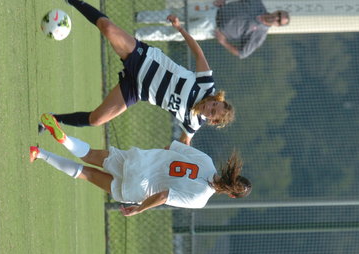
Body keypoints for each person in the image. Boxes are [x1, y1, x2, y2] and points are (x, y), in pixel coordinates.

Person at [44, 0, 234, 145]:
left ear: (212, 121)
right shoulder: (206, 85)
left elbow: (184, 144)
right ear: (216, 99)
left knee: (96, 119)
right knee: (108, 28)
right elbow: (199, 54)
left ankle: (51, 120)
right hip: (145, 60)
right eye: (214, 105)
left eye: (212, 113)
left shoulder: (193, 123)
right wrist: (179, 28)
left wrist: (172, 154)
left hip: (137, 89)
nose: (210, 108)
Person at [33, 113, 251, 216]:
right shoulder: (200, 199)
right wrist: (140, 208)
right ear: (231, 195)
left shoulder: (206, 161)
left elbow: (171, 147)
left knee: (89, 154)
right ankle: (39, 153)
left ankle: (65, 140)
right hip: (138, 188)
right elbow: (164, 195)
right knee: (88, 174)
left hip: (139, 161)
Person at [135, 0, 290, 59]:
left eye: (279, 21)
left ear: (277, 25)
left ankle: (138, 34)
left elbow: (242, 53)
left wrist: (224, 42)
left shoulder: (260, 35)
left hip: (210, 29)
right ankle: (139, 16)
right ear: (277, 11)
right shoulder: (258, 4)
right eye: (278, 15)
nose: (276, 18)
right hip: (212, 10)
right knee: (176, 13)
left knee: (174, 33)